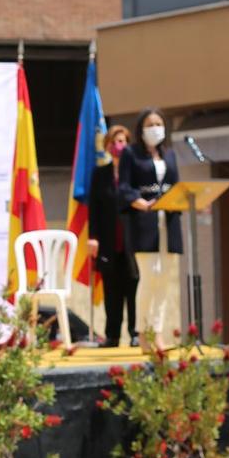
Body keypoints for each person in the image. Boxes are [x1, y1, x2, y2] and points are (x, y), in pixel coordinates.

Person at [117, 107, 182, 340]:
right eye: (150, 125)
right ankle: (143, 331)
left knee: (164, 281)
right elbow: (124, 187)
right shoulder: (130, 154)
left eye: (158, 124)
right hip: (144, 223)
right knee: (149, 277)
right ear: (141, 129)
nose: (155, 129)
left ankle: (158, 331)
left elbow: (177, 186)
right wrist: (140, 202)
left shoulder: (170, 155)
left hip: (169, 221)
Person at [87, 123, 138, 347]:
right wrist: (93, 237)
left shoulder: (135, 173)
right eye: (115, 142)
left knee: (134, 286)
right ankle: (112, 335)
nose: (119, 146)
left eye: (123, 141)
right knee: (111, 290)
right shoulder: (100, 175)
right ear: (108, 146)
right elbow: (94, 209)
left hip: (132, 242)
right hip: (108, 242)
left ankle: (136, 333)